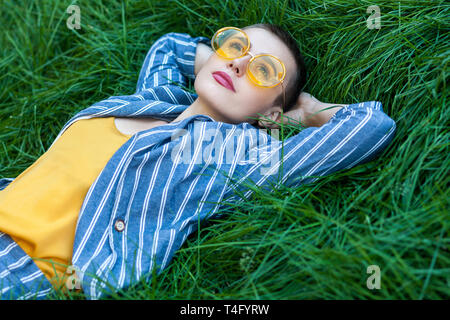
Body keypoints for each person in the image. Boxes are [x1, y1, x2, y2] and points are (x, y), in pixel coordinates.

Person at [0, 24, 396, 300]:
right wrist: (218, 62)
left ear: (271, 115)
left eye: (263, 70)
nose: (239, 64)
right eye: (236, 47)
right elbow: (170, 46)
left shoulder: (228, 155)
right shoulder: (156, 99)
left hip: (21, 267)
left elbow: (369, 126)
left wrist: (307, 112)